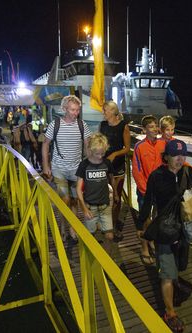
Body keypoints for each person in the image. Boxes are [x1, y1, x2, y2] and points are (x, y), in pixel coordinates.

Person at [136, 139, 192, 332]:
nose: (180, 159)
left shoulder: (188, 172)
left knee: (179, 266)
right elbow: (148, 201)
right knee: (167, 273)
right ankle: (170, 313)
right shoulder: (157, 176)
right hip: (165, 230)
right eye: (175, 155)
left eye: (183, 155)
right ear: (166, 156)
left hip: (185, 230)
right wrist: (141, 225)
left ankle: (174, 283)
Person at [42, 95, 91, 243]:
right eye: (72, 110)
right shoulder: (54, 124)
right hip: (59, 169)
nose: (75, 113)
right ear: (64, 109)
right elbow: (45, 145)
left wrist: (90, 167)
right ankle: (64, 228)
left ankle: (73, 229)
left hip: (77, 170)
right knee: (65, 200)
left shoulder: (82, 125)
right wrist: (46, 166)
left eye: (77, 110)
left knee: (75, 201)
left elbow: (88, 147)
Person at [132, 115, 166, 265]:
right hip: (145, 191)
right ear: (145, 129)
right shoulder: (139, 147)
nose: (155, 129)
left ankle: (152, 240)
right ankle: (144, 247)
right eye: (151, 127)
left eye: (156, 126)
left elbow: (172, 162)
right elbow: (137, 171)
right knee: (145, 219)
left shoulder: (162, 144)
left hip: (160, 190)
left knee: (157, 217)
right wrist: (145, 190)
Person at [76, 133, 117, 255]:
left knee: (109, 235)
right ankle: (92, 257)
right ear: (91, 151)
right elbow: (78, 189)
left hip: (105, 205)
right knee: (91, 235)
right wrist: (83, 208)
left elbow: (112, 178)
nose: (100, 157)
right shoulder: (84, 165)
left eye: (102, 153)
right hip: (90, 206)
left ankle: (107, 259)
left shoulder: (107, 163)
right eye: (97, 154)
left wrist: (115, 194)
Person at [99, 101, 131, 241]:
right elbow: (100, 143)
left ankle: (113, 224)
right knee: (103, 196)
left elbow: (127, 148)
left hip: (117, 167)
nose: (103, 113)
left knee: (117, 199)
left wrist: (115, 154)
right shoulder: (103, 125)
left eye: (105, 110)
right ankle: (104, 222)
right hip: (103, 165)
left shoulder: (124, 126)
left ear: (112, 111)